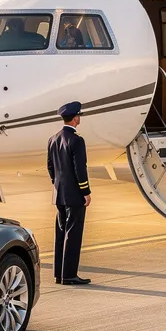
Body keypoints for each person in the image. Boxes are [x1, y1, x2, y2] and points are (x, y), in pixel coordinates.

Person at [47, 101, 92, 285]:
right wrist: (85, 191)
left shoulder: (53, 139)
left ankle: (59, 274)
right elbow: (79, 168)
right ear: (75, 118)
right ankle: (70, 275)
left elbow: (50, 167)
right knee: (73, 235)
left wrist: (57, 185)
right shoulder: (77, 140)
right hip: (74, 195)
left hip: (59, 194)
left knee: (61, 233)